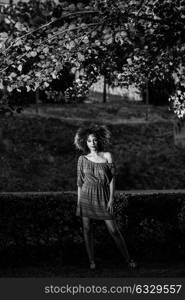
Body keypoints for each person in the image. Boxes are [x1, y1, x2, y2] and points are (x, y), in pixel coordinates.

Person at [74, 124, 137, 270]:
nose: (92, 143)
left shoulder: (107, 156)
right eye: (89, 141)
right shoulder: (82, 159)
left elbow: (112, 180)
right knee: (87, 229)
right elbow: (79, 182)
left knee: (113, 230)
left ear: (99, 140)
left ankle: (128, 260)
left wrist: (111, 199)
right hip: (85, 196)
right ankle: (92, 261)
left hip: (103, 195)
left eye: (94, 140)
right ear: (85, 142)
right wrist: (78, 203)